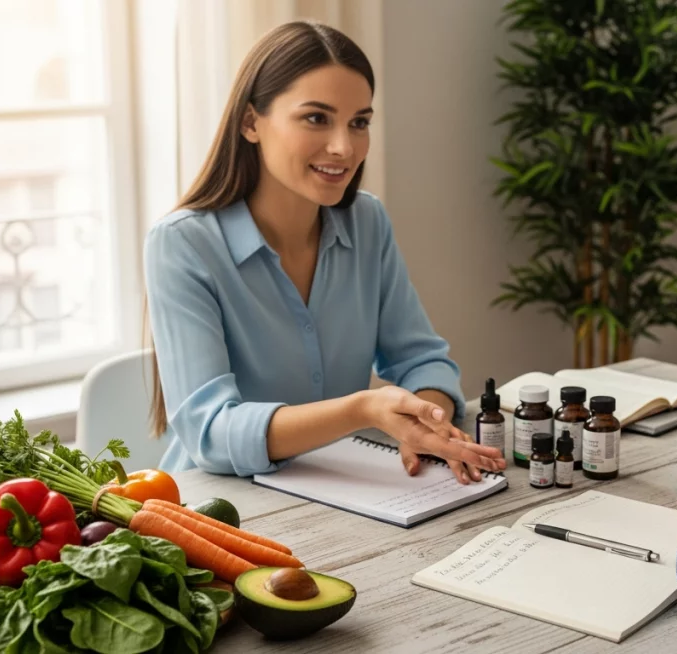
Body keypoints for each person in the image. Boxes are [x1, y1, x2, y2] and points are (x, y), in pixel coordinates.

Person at [144, 21, 504, 483]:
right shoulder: (183, 244)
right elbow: (210, 432)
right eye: (316, 118)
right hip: (219, 510)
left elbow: (421, 360)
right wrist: (362, 409)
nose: (343, 147)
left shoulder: (366, 222)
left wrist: (426, 424)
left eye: (359, 123)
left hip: (345, 492)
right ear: (251, 122)